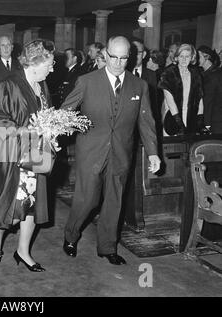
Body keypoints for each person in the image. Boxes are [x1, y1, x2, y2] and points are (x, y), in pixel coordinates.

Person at [61, 36, 161, 265]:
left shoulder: (140, 86)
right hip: (91, 152)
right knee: (86, 200)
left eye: (123, 58)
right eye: (113, 56)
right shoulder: (86, 81)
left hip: (121, 153)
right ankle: (71, 236)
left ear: (130, 57)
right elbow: (66, 113)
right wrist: (52, 135)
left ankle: (107, 246)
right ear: (105, 54)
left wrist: (154, 152)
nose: (117, 62)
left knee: (115, 201)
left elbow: (146, 121)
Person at [0, 39, 55, 272]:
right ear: (36, 62)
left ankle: (23, 251)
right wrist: (26, 131)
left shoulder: (41, 85)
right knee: (14, 211)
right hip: (14, 155)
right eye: (49, 63)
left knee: (32, 206)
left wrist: (52, 130)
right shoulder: (10, 84)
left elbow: (44, 116)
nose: (52, 68)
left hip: (36, 154)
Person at [158, 44, 204, 136]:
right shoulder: (168, 73)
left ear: (192, 58)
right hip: (173, 116)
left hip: (190, 117)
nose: (184, 59)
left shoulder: (196, 74)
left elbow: (200, 98)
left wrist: (200, 120)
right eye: (181, 56)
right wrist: (179, 123)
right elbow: (170, 101)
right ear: (177, 57)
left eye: (187, 56)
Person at [198, 45, 222, 133]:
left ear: (207, 57)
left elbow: (208, 101)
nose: (195, 59)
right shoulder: (205, 74)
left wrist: (207, 124)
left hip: (214, 122)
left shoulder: (213, 75)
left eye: (198, 56)